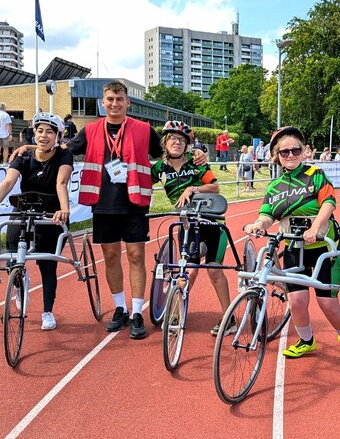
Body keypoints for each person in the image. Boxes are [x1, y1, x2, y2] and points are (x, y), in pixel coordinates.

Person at [12, 83, 208, 340]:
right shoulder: (90, 129)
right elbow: (61, 149)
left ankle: (137, 312)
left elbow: (169, 150)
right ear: (103, 102)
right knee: (112, 257)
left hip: (134, 203)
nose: (115, 103)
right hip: (102, 204)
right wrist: (29, 148)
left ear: (128, 103)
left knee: (137, 256)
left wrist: (197, 152)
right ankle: (120, 309)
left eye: (120, 99)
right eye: (110, 99)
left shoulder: (143, 129)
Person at [244, 126, 340, 359]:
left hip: (325, 247)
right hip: (294, 247)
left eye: (295, 150)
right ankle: (306, 340)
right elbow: (267, 215)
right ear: (277, 156)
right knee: (297, 301)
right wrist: (258, 225)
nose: (290, 155)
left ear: (304, 152)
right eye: (284, 152)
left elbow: (329, 203)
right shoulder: (274, 187)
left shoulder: (315, 174)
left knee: (328, 304)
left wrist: (315, 227)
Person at [0, 112, 72, 331]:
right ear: (34, 133)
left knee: (47, 264)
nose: (44, 136)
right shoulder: (22, 157)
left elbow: (61, 182)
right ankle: (18, 281)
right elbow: (8, 182)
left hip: (50, 213)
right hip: (23, 210)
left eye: (50, 132)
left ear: (58, 135)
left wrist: (64, 210)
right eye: (40, 131)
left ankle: (47, 311)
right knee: (11, 249)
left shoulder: (64, 156)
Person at [150, 121, 234, 335]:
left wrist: (192, 187)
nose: (176, 142)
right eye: (172, 139)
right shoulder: (159, 168)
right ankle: (177, 314)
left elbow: (215, 187)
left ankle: (229, 318)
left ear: (187, 144)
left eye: (181, 139)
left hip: (212, 223)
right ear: (165, 142)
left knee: (214, 271)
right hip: (186, 224)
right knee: (187, 270)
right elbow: (142, 186)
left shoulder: (197, 163)